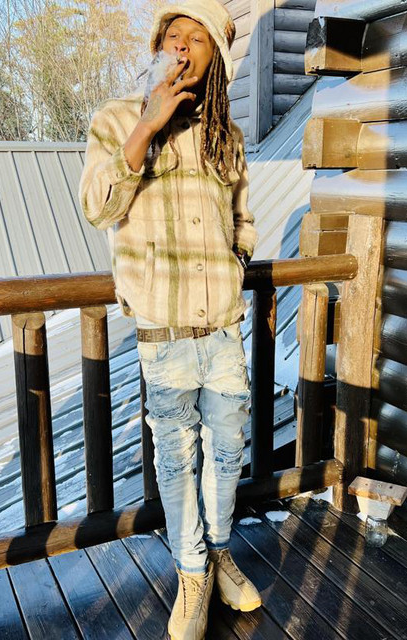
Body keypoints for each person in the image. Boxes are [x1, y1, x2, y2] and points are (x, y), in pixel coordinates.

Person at [79, 1, 260, 637]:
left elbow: (243, 220)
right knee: (177, 462)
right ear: (159, 46)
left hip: (224, 332)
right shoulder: (117, 119)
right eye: (172, 35)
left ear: (216, 57)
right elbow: (97, 207)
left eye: (196, 38)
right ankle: (192, 573)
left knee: (228, 455)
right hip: (164, 336)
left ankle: (219, 553)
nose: (181, 46)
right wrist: (148, 126)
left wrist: (237, 260)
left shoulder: (225, 137)